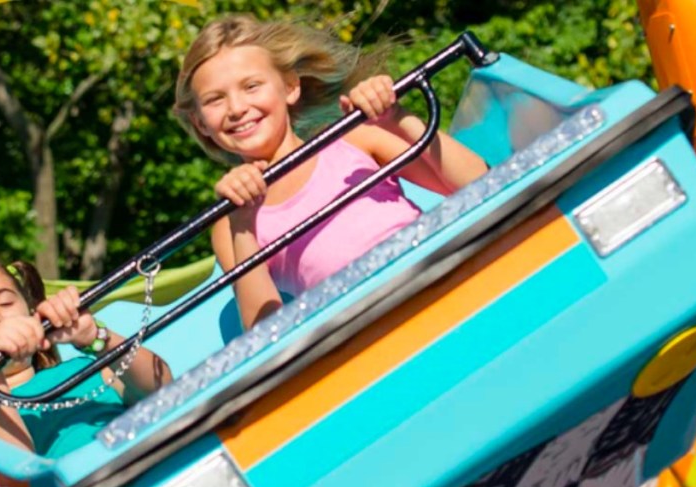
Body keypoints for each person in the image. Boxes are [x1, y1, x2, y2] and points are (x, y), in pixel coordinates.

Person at [173, 14, 489, 329]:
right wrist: (244, 225)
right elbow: (265, 329)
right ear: (201, 122)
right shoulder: (231, 224)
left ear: (290, 87)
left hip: (442, 274)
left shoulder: (354, 140)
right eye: (215, 100)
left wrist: (395, 117)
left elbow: (479, 181)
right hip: (366, 325)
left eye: (251, 86)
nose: (237, 108)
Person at [0, 255, 172, 457]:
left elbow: (164, 390)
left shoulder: (84, 368)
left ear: (30, 313)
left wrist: (95, 337)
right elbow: (13, 473)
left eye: (5, 303)